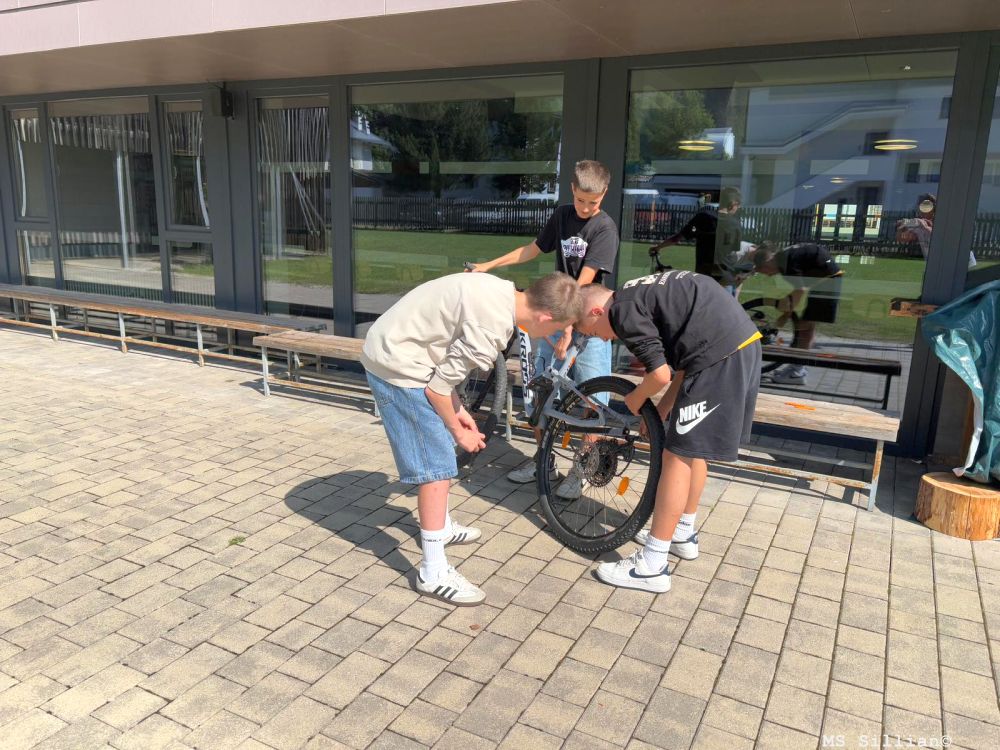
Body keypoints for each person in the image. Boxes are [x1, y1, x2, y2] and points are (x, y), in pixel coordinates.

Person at [361, 271, 582, 605]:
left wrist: (458, 410)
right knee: (437, 469)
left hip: (399, 348)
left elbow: (441, 370)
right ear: (545, 317)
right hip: (398, 365)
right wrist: (458, 431)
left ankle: (440, 527)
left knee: (440, 460)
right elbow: (436, 390)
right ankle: (432, 572)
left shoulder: (501, 291)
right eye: (555, 330)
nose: (549, 338)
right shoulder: (490, 329)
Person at [574, 271, 762, 592]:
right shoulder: (637, 295)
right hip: (734, 347)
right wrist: (662, 410)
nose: (603, 339)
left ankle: (652, 565)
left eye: (593, 332)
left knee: (676, 456)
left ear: (595, 311)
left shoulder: (621, 311)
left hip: (720, 356)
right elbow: (684, 364)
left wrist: (636, 398)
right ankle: (681, 533)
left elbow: (660, 375)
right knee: (692, 449)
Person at [466, 160, 619, 499]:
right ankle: (544, 462)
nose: (585, 208)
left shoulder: (605, 229)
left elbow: (584, 282)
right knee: (542, 394)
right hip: (557, 318)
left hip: (589, 324)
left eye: (593, 202)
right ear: (572, 190)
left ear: (604, 194)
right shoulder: (562, 215)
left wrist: (569, 328)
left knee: (594, 400)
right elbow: (532, 249)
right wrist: (489, 265)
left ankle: (581, 469)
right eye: (580, 200)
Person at [751, 241, 844, 385]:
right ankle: (798, 365)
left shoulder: (786, 263)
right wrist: (787, 311)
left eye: (765, 271)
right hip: (824, 277)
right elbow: (798, 292)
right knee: (805, 325)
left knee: (805, 327)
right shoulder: (783, 258)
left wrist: (785, 315)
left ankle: (797, 372)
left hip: (827, 281)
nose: (768, 275)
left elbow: (800, 290)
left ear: (767, 262)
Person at [650, 186, 743, 287]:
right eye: (738, 206)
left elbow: (677, 238)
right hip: (724, 277)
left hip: (703, 274)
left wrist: (658, 247)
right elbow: (733, 252)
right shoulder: (735, 224)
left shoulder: (703, 216)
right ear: (733, 204)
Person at [896, 193, 976, 268]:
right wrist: (902, 228)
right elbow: (901, 238)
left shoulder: (945, 219)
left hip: (963, 263)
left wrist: (924, 227)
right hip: (939, 265)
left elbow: (939, 237)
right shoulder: (919, 224)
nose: (922, 210)